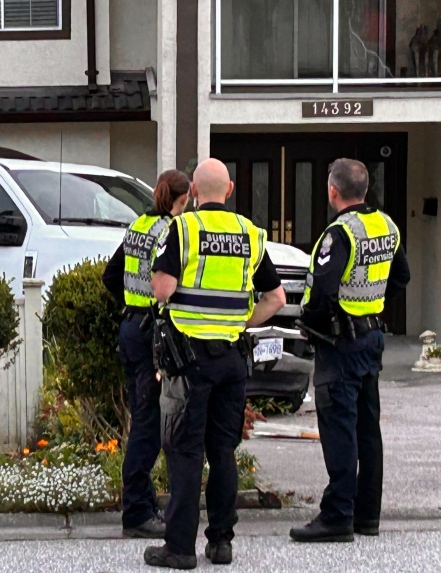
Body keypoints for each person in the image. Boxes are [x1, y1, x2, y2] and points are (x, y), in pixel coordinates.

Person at [144, 158, 286, 569]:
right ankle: (221, 543)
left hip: (189, 363)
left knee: (185, 452)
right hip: (231, 359)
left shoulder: (183, 229)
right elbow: (276, 298)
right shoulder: (250, 234)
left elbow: (163, 289)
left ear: (192, 194)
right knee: (223, 451)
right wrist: (240, 321)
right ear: (231, 189)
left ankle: (180, 549)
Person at [290, 158, 410, 543]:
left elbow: (323, 291)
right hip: (371, 337)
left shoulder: (340, 233)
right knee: (366, 428)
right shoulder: (386, 225)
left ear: (333, 191)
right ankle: (366, 516)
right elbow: (401, 276)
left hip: (341, 343)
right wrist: (371, 304)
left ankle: (337, 515)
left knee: (340, 429)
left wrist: (316, 324)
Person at [102, 169, 191, 539]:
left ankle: (143, 502)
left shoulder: (137, 225)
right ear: (181, 200)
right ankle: (137, 510)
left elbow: (111, 275)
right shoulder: (170, 232)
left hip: (131, 329)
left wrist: (131, 304)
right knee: (148, 425)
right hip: (153, 332)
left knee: (142, 417)